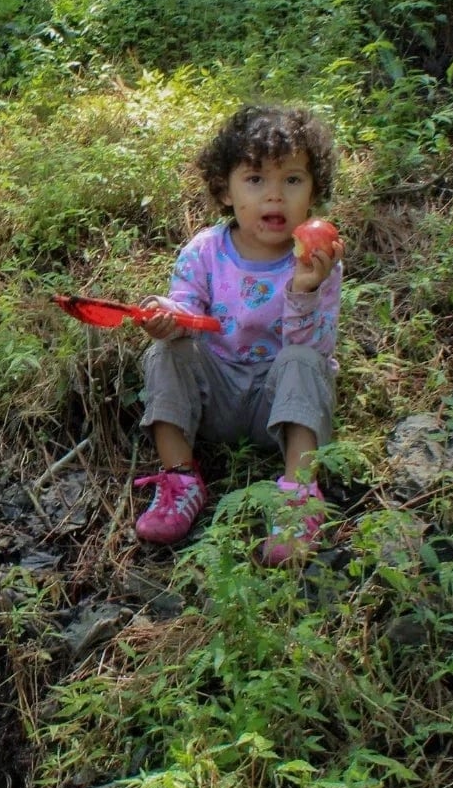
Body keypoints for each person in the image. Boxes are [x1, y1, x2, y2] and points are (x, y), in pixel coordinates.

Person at [131, 103, 346, 564]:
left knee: (305, 361)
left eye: (292, 180)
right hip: (217, 395)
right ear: (225, 191)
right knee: (165, 352)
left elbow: (315, 350)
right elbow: (187, 310)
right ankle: (179, 480)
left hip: (279, 406)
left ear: (313, 191)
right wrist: (167, 318)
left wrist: (304, 291)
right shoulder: (205, 251)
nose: (274, 196)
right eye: (255, 180)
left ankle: (298, 498)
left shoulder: (316, 261)